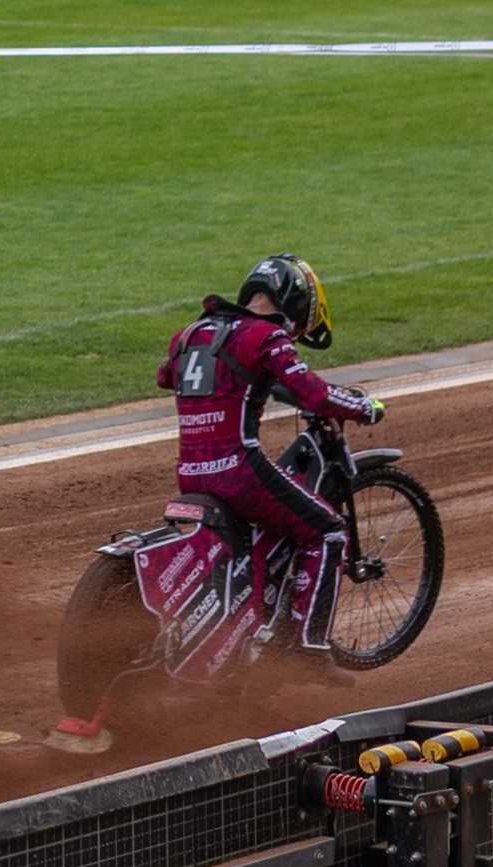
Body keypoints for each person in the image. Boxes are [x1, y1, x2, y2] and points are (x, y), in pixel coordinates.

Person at [156, 255, 384, 675]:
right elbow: (315, 394)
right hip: (238, 472)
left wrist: (259, 382)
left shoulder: (189, 334)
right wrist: (364, 407)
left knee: (267, 528)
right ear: (297, 303)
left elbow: (166, 377)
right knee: (327, 531)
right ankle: (308, 651)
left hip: (190, 474)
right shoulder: (268, 336)